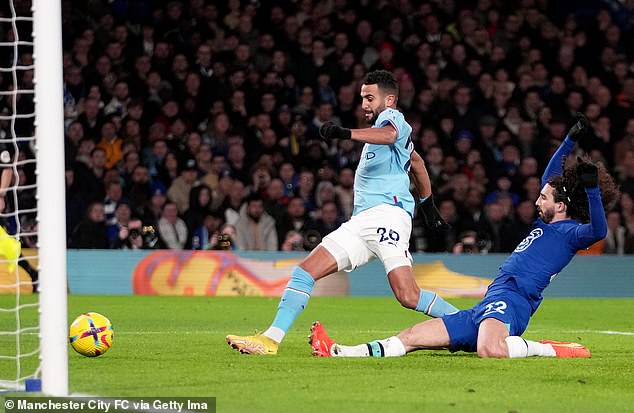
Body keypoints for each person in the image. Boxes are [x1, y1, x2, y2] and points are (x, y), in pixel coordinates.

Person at [309, 114, 620, 359]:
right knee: (412, 337)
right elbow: (549, 174)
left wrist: (591, 189)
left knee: (491, 350)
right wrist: (568, 140)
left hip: (513, 301)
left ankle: (553, 349)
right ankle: (340, 351)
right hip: (488, 301)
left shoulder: (571, 233)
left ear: (561, 205)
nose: (537, 200)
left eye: (543, 197)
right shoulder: (552, 222)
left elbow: (599, 230)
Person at [227, 70, 455, 355]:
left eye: (370, 98)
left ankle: (467, 324)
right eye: (362, 98)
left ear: (390, 99)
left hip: (387, 217)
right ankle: (270, 340)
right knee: (305, 271)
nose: (364, 104)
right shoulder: (388, 138)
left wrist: (346, 134)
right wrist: (427, 204)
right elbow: (418, 163)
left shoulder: (393, 120)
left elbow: (389, 134)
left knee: (408, 295)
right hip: (361, 222)